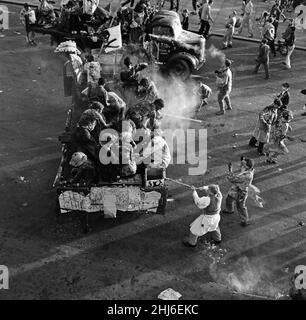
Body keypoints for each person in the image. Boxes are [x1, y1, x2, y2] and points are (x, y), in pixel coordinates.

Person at [223, 157, 255, 227]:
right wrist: (243, 160)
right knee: (229, 199)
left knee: (240, 206)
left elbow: (232, 179)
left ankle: (245, 220)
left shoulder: (246, 176)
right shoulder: (249, 169)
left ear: (247, 167)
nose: (241, 165)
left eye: (243, 164)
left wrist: (230, 170)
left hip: (241, 192)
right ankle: (230, 209)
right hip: (237, 188)